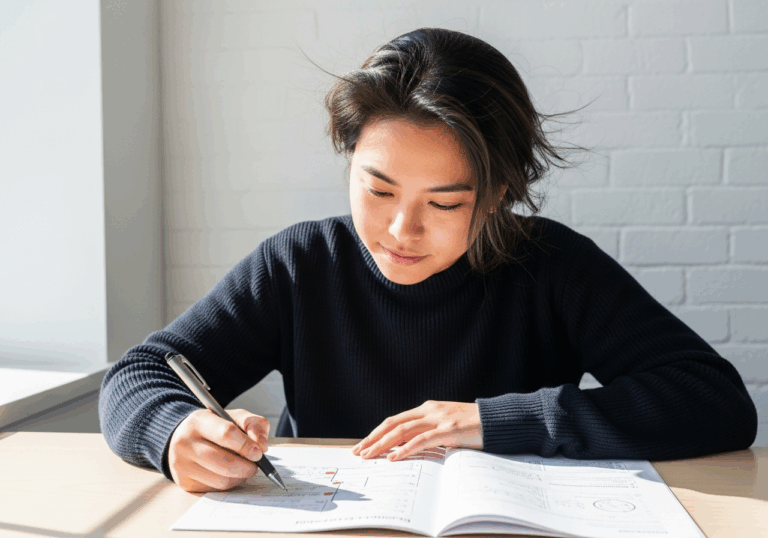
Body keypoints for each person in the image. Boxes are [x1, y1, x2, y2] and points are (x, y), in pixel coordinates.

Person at [98, 28, 758, 494]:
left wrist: (492, 420)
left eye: (443, 203)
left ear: (498, 193)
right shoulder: (300, 263)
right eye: (377, 189)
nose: (399, 230)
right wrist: (175, 431)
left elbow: (713, 400)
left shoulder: (552, 265)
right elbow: (139, 374)